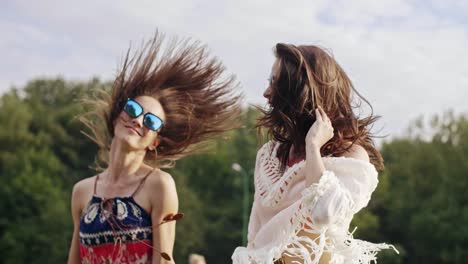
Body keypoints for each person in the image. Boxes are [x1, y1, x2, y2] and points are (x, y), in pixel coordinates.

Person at [67, 32, 242, 264]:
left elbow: (164, 260)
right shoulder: (82, 191)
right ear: (117, 116)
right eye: (133, 110)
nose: (138, 121)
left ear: (154, 142)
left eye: (151, 121)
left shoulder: (159, 185)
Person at [232, 43, 398, 264]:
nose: (266, 92)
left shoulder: (350, 157)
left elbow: (323, 213)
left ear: (300, 91)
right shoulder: (269, 156)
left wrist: (313, 147)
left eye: (275, 81)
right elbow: (255, 234)